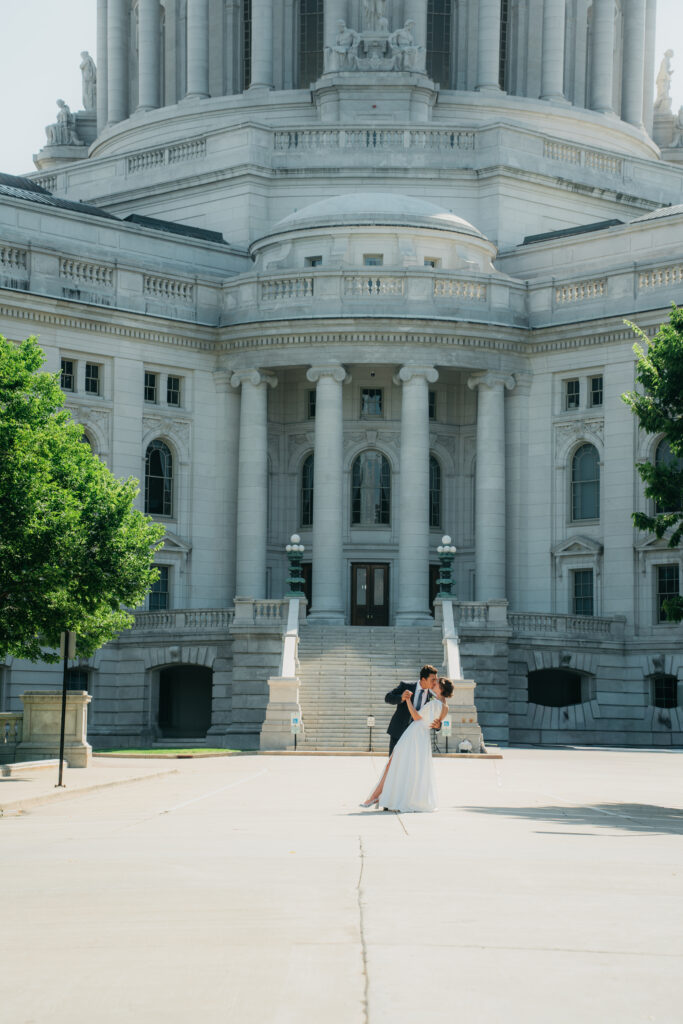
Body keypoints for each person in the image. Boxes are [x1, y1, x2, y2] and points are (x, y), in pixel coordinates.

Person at [361, 677, 454, 812]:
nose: (434, 684)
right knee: (409, 768)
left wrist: (408, 700)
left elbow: (417, 717)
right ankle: (389, 798)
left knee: (396, 764)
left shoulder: (434, 703)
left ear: (441, 688)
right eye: (433, 680)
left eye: (437, 683)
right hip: (421, 737)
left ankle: (382, 797)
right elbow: (436, 722)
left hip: (413, 735)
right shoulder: (445, 706)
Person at [384, 663, 439, 755]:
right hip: (399, 732)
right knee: (393, 763)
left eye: (436, 680)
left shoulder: (432, 697)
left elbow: (435, 717)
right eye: (433, 680)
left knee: (410, 766)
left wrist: (438, 726)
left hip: (417, 738)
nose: (435, 683)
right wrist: (401, 697)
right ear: (423, 679)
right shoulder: (406, 686)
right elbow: (388, 697)